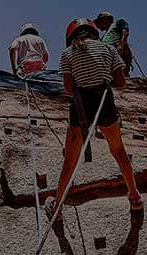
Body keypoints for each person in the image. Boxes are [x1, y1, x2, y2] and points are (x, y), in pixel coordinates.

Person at [43, 17, 142, 218]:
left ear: (70, 37)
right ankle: (134, 197)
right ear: (95, 33)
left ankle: (57, 207)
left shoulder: (68, 54)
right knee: (119, 151)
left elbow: (69, 89)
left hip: (80, 107)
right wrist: (102, 77)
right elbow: (121, 82)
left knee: (70, 162)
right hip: (105, 103)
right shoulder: (108, 50)